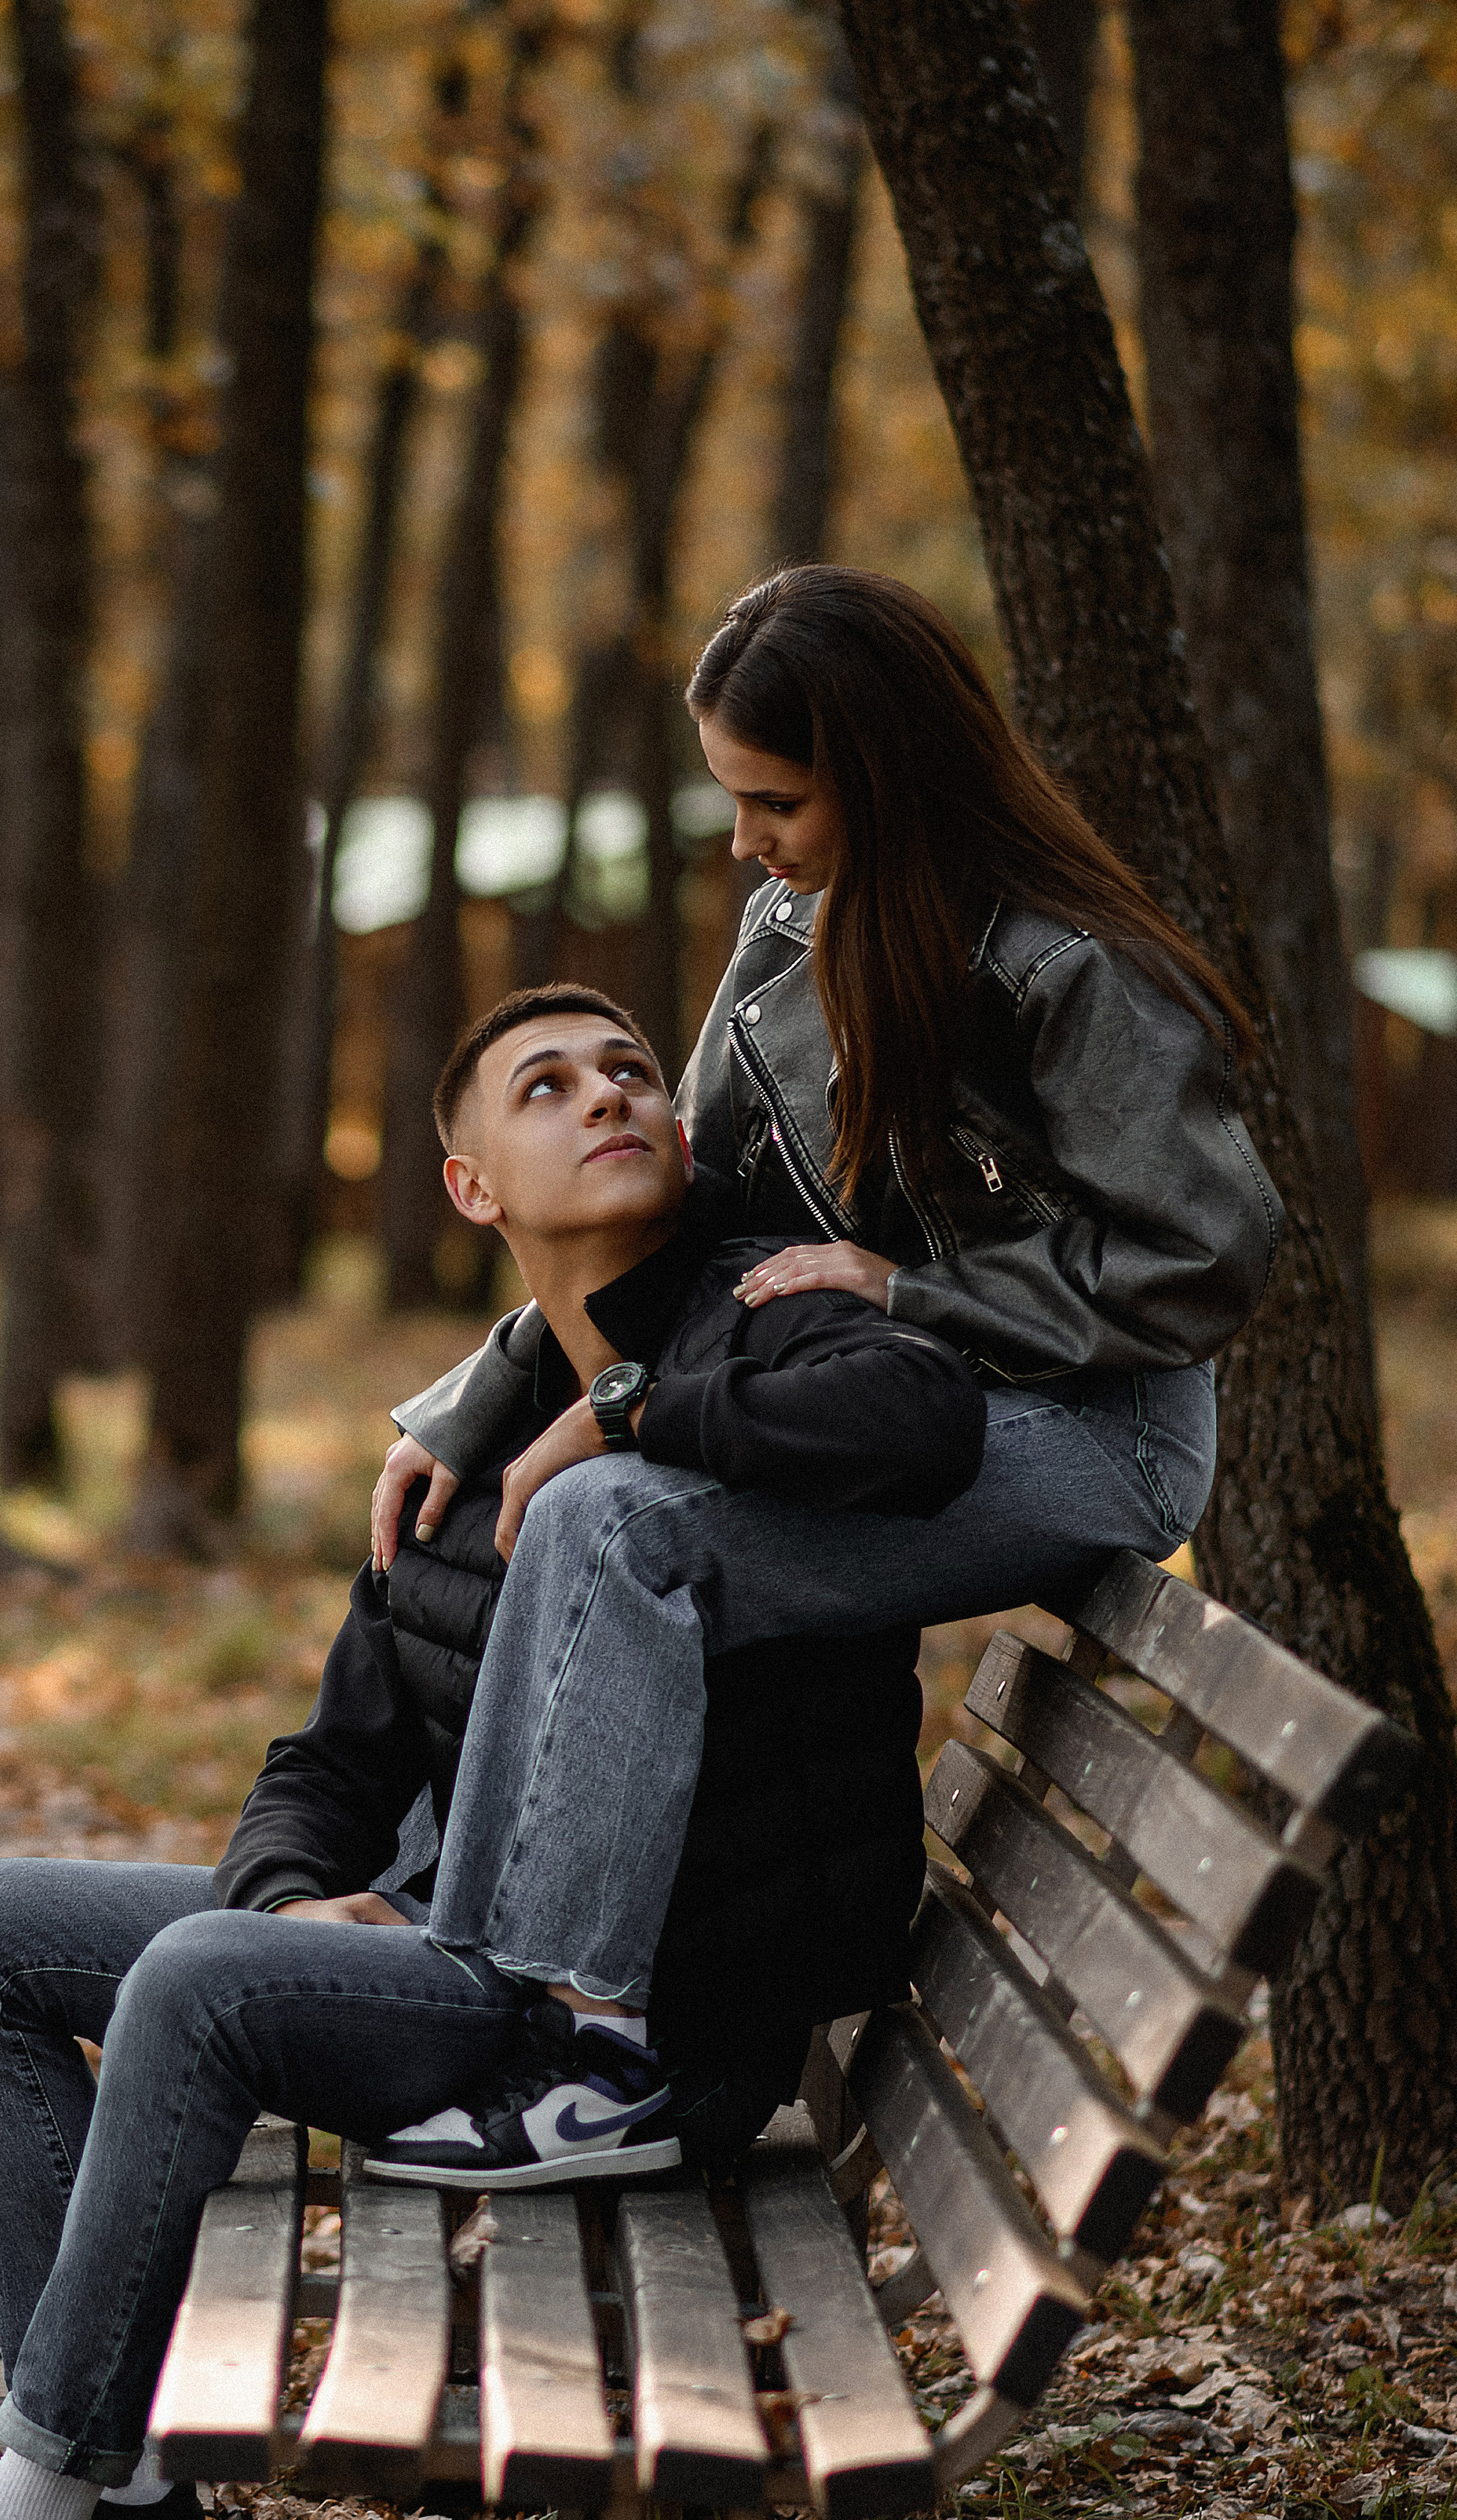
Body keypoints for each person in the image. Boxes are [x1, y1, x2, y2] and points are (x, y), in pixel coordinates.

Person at [0, 980, 985, 2520]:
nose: (608, 1095)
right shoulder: (461, 1442)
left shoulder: (760, 1325)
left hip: (621, 2025)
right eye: (545, 1087)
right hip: (435, 1943)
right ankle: (139, 2497)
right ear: (470, 1187)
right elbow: (323, 1759)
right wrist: (293, 1899)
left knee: (190, 1985)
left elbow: (924, 1423)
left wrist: (628, 1419)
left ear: (683, 1137)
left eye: (630, 1072)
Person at [370, 564, 1281, 2173]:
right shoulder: (790, 934)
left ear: (879, 768)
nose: (744, 843)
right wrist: (491, 1390)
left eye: (771, 800)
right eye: (732, 800)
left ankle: (575, 2048)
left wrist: (914, 1289)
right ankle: (481, 1992)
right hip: (889, 1397)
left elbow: (1199, 1262)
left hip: (1089, 1434)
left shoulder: (1067, 969)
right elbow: (698, 1201)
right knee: (592, 1515)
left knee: (616, 1523)